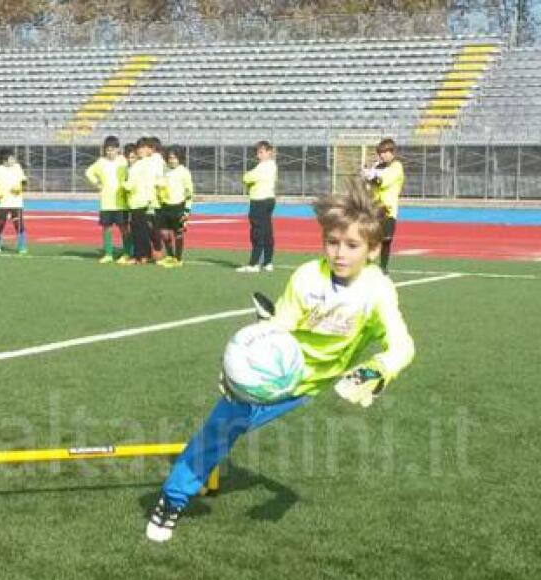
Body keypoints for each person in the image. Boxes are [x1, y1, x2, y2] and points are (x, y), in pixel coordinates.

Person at [146, 180, 415, 542]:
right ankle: (172, 500)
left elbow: (402, 345)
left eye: (352, 245)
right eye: (332, 242)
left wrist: (379, 370)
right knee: (221, 427)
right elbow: (280, 329)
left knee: (225, 425)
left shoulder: (378, 290)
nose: (339, 253)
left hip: (312, 383)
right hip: (278, 374)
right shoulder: (307, 277)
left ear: (372, 249)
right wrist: (240, 370)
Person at [85, 135, 129, 263]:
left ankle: (127, 253)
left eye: (113, 149)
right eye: (108, 149)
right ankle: (108, 253)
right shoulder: (100, 162)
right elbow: (88, 172)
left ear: (118, 149)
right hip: (106, 202)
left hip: (121, 202)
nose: (110, 152)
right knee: (106, 228)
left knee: (124, 228)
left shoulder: (123, 161)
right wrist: (97, 184)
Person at [363, 138, 404, 271]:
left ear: (392, 153)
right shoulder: (377, 166)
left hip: (388, 209)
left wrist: (372, 177)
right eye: (380, 152)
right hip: (374, 208)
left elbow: (383, 181)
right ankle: (364, 264)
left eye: (386, 152)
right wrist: (367, 177)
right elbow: (370, 185)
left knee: (386, 240)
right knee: (370, 238)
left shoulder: (396, 166)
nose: (382, 155)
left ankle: (383, 268)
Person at [238, 140, 278, 272]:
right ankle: (267, 262)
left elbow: (247, 177)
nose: (258, 155)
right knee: (267, 232)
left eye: (261, 152)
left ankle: (253, 264)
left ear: (269, 152)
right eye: (257, 152)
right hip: (268, 200)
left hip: (259, 201)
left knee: (257, 233)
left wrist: (247, 178)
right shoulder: (271, 165)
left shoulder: (263, 166)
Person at [123, 137, 162, 264]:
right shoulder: (150, 162)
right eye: (139, 147)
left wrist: (122, 184)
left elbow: (130, 185)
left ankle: (139, 256)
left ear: (148, 149)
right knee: (143, 231)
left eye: (143, 147)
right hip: (143, 200)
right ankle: (145, 255)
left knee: (139, 231)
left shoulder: (141, 164)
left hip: (139, 201)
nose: (140, 150)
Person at [155, 146, 194, 267]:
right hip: (165, 206)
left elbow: (189, 193)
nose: (172, 160)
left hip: (179, 207)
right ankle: (170, 256)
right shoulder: (164, 170)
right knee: (164, 233)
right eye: (170, 158)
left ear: (180, 159)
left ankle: (178, 259)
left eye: (175, 158)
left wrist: (187, 211)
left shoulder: (184, 172)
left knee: (178, 233)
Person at [0, 148, 28, 254]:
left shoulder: (17, 168)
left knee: (19, 225)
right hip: (2, 203)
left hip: (16, 202)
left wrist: (20, 188)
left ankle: (22, 246)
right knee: (0, 224)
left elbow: (24, 181)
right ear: (4, 160)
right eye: (11, 158)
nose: (13, 159)